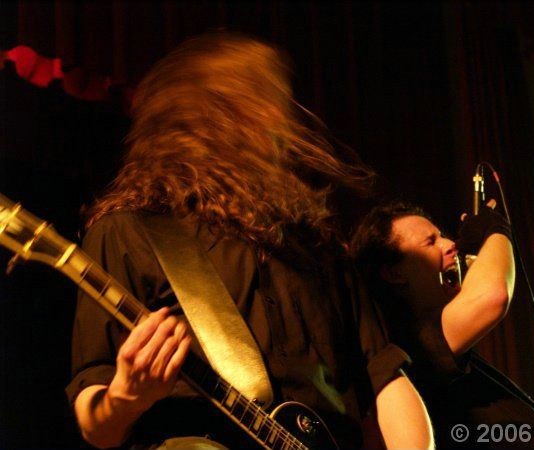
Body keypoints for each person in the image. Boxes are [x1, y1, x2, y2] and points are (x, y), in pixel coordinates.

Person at [66, 33, 433, 449]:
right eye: (252, 98)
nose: (275, 115)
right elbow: (96, 425)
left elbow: (384, 376)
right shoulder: (131, 232)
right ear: (197, 115)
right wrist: (125, 398)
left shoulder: (319, 247)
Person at [350, 200, 534, 449]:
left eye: (442, 236)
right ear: (393, 273)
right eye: (430, 242)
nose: (450, 244)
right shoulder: (410, 343)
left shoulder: (452, 356)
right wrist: (495, 228)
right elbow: (493, 295)